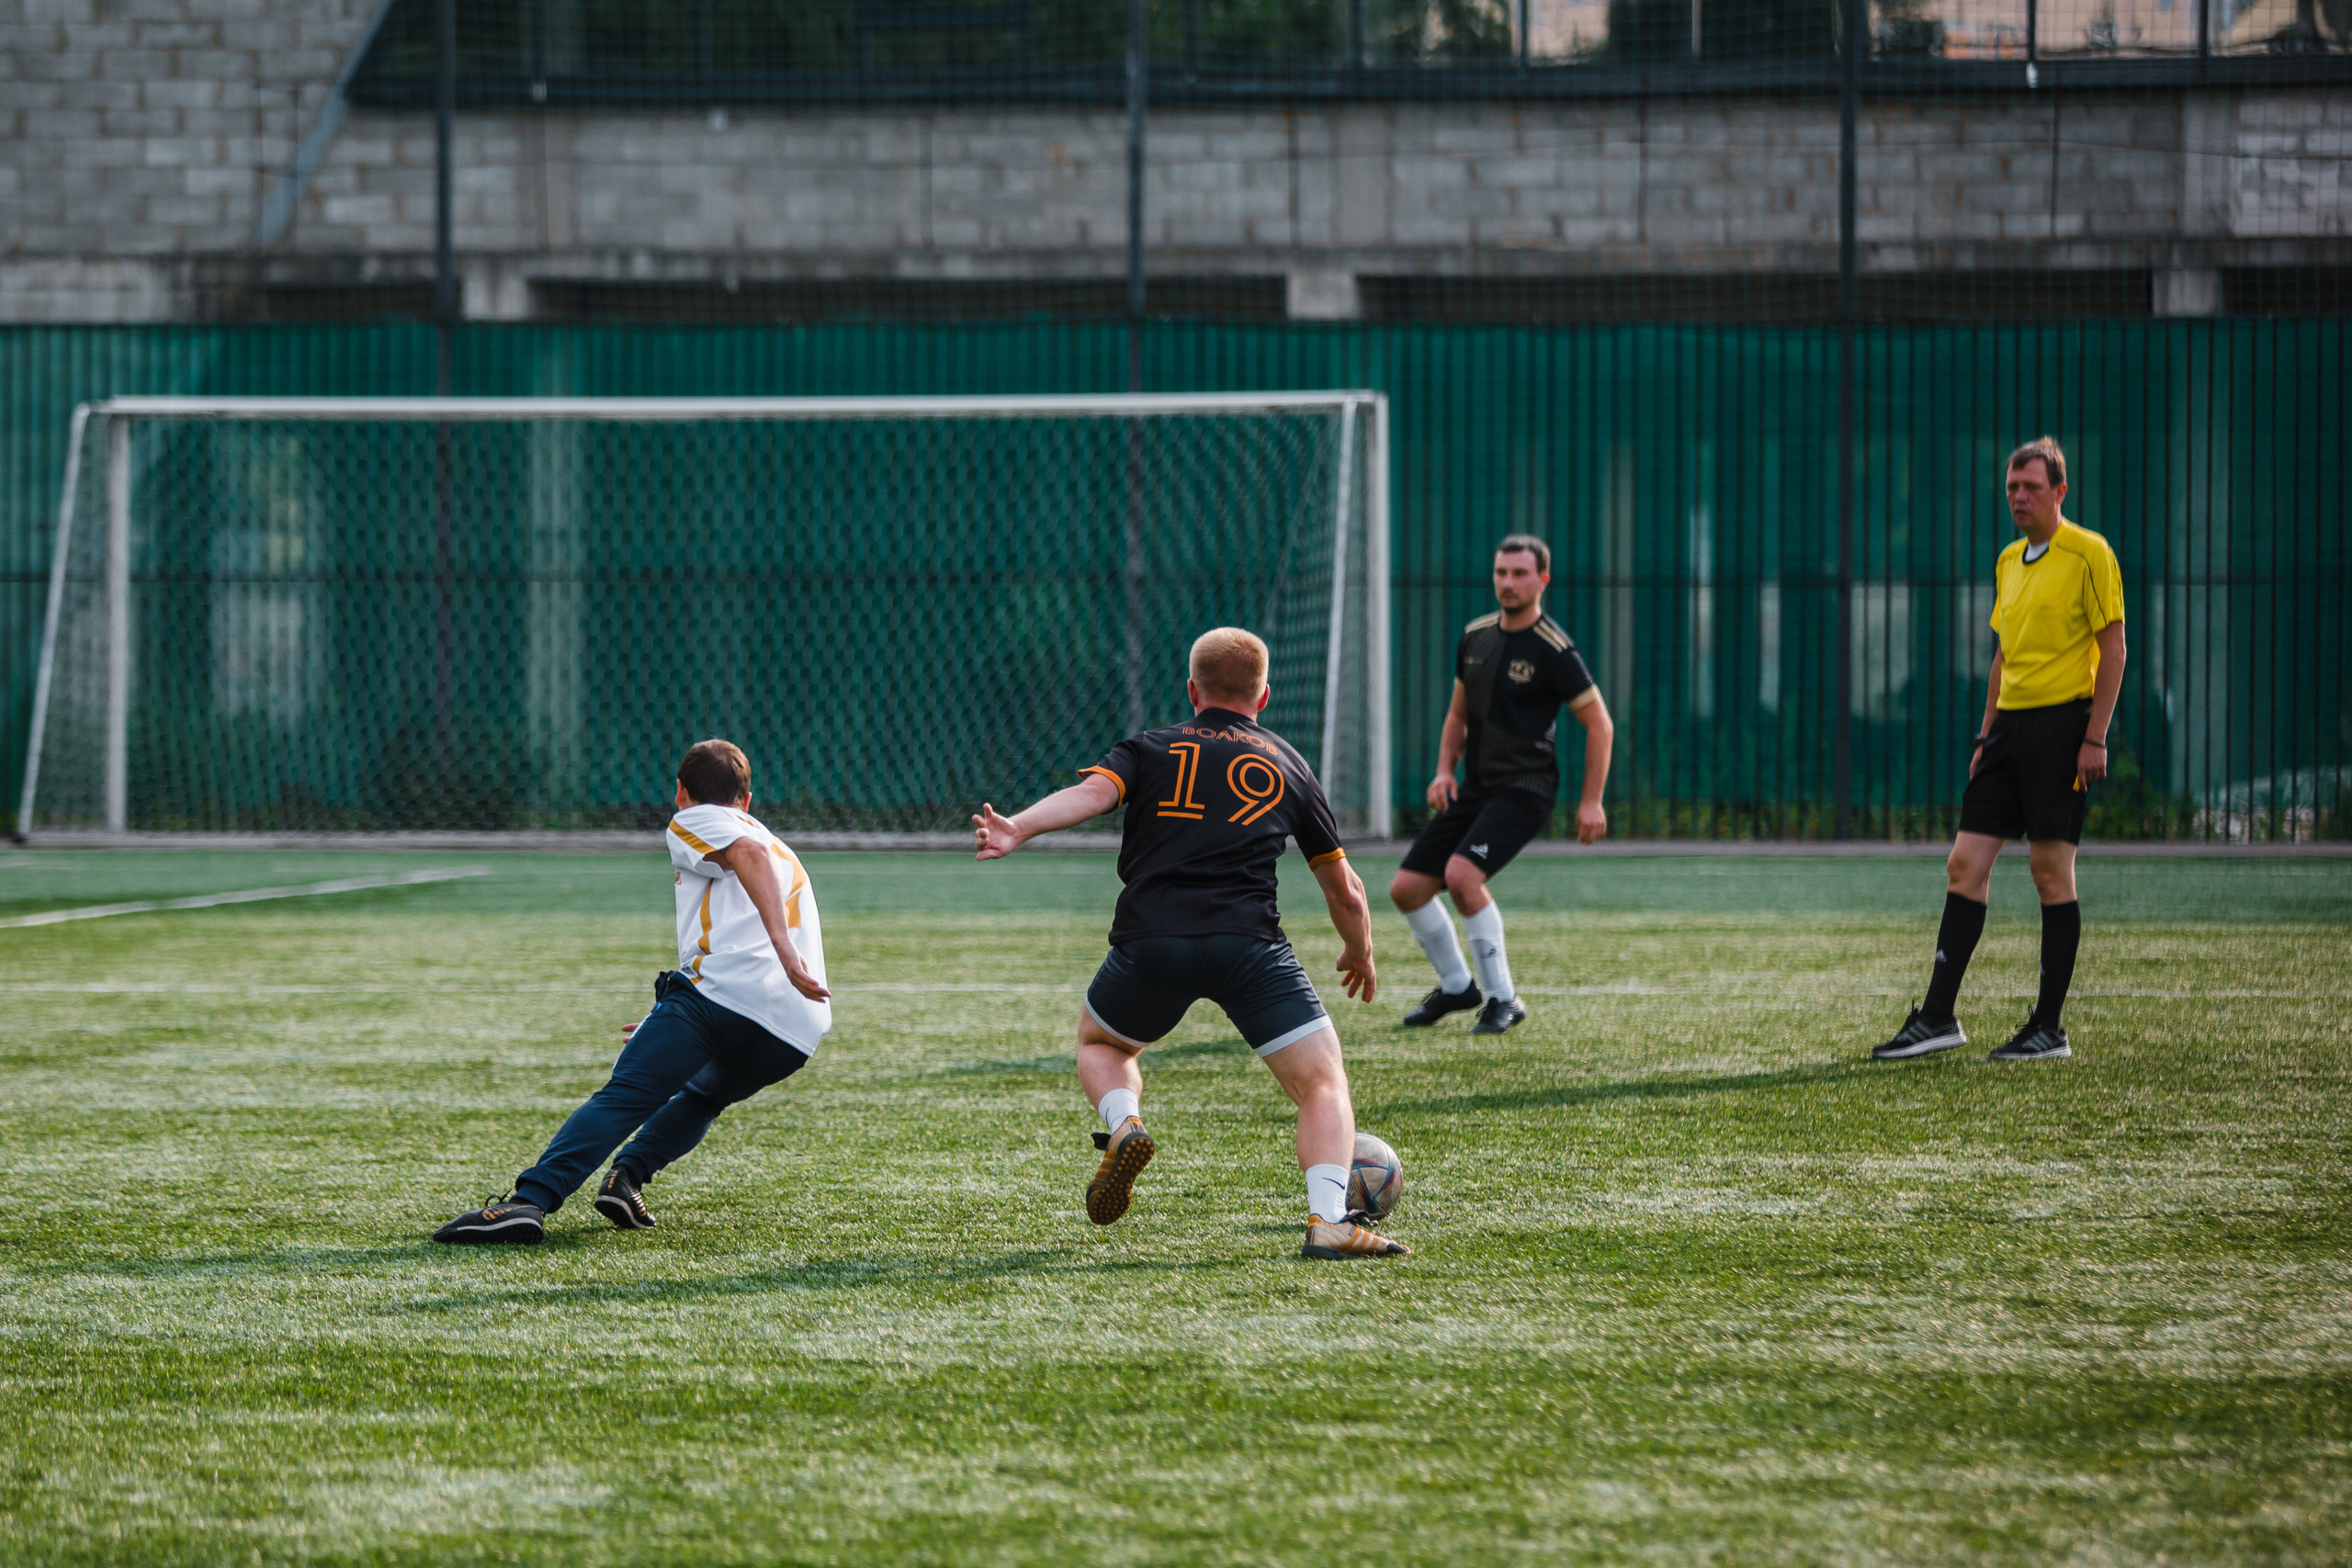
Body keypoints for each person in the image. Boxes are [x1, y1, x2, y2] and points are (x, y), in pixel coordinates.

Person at [971, 626, 1408, 1260]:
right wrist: (1359, 950)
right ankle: (1330, 1218)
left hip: (1154, 940)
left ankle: (1125, 1124)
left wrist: (1020, 826)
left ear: (1191, 690)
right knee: (1321, 1083)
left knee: (1103, 1041)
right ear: (1263, 697)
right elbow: (1345, 888)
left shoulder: (1150, 747)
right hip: (1250, 947)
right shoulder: (1286, 762)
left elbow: (1091, 795)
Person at [432, 739, 832, 1242]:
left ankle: (528, 1203)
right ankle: (627, 1179)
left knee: (625, 1097)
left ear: (680, 792)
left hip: (724, 996)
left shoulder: (697, 819)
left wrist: (782, 950)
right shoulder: (779, 846)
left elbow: (745, 857)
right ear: (747, 800)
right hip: (794, 1030)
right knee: (702, 1096)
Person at [1872, 437, 2125, 1064]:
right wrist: (1985, 735)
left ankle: (2048, 1027)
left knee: (2049, 872)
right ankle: (1937, 1017)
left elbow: (2113, 648)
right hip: (2008, 731)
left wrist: (2095, 736)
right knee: (1964, 863)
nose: (2018, 496)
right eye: (2012, 487)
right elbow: (2003, 657)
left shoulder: (2090, 553)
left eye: (2031, 487)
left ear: (2059, 492)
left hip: (2063, 730)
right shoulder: (2010, 560)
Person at [1387, 535, 1612, 1036]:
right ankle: (1456, 987)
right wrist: (1445, 769)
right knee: (1407, 889)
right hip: (1477, 786)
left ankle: (1503, 999)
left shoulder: (1555, 649)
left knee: (1464, 879)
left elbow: (1600, 724)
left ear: (1542, 579)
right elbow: (1457, 714)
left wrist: (1591, 801)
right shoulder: (1476, 637)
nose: (1507, 583)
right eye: (1501, 573)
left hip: (1526, 788)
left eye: (1519, 574)